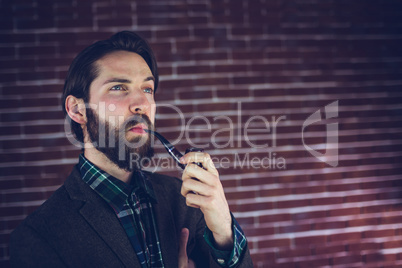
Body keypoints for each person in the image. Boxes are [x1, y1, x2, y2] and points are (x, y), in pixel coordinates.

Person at [9, 31, 253, 268]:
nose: (142, 105)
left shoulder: (187, 201)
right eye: (118, 87)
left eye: (147, 89)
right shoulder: (38, 237)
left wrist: (223, 231)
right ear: (78, 110)